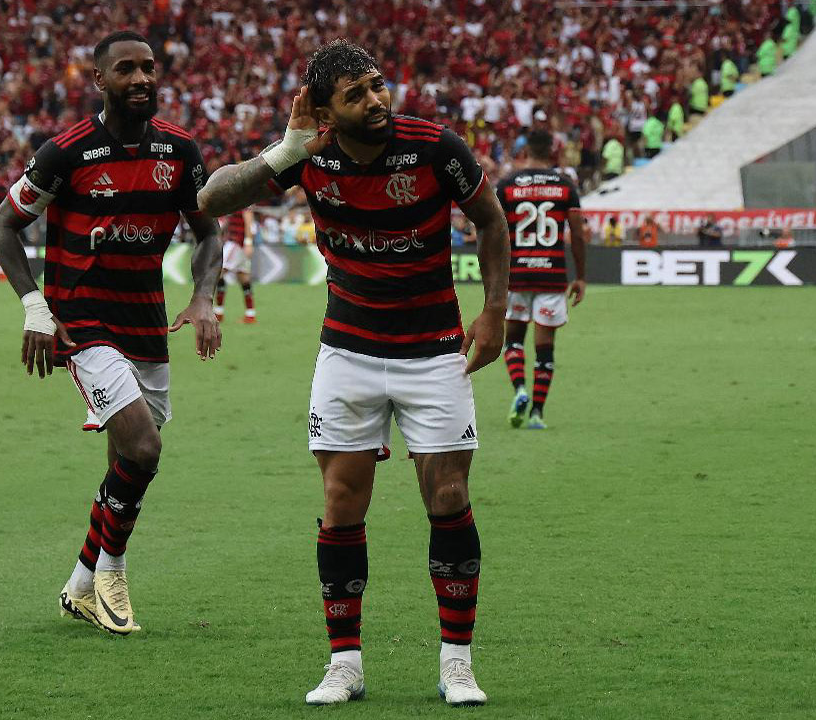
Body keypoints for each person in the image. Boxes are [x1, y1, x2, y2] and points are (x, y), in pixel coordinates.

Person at [198, 39, 510, 707]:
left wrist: (495, 311)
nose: (375, 100)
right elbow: (210, 200)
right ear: (323, 110)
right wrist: (285, 151)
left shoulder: (435, 147)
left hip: (434, 352)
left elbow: (490, 220)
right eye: (356, 94)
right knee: (342, 503)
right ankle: (345, 663)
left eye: (376, 85)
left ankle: (457, 661)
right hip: (347, 352)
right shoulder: (311, 155)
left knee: (448, 497)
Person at [0, 31, 222, 636]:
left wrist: (202, 297)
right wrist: (35, 306)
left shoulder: (181, 151)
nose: (142, 79)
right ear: (100, 81)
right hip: (83, 319)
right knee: (143, 449)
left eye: (149, 68)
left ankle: (80, 583)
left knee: (127, 459)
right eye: (127, 70)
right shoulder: (65, 153)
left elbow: (209, 232)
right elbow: (3, 226)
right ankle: (113, 570)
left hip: (146, 321)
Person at [495, 130, 587, 431]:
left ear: (524, 151)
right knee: (544, 348)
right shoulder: (565, 186)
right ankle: (536, 413)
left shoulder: (507, 185)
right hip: (552, 275)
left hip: (517, 275)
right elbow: (577, 233)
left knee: (514, 341)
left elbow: (493, 231)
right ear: (553, 151)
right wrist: (582, 276)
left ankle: (519, 388)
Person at [215, 207, 256, 323]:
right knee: (243, 277)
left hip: (237, 243)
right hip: (238, 243)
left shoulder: (244, 203)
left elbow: (249, 223)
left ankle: (218, 313)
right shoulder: (235, 203)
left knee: (218, 271)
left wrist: (248, 243)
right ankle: (250, 314)